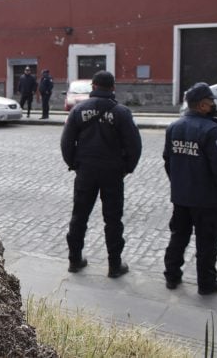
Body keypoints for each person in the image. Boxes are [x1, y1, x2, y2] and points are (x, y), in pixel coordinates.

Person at [60, 71, 142, 278]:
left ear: (93, 86)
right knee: (113, 219)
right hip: (113, 172)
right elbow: (134, 145)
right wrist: (126, 168)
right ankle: (114, 265)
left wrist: (74, 164)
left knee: (79, 216)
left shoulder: (78, 110)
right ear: (113, 88)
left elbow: (66, 142)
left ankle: (74, 260)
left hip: (86, 170)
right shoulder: (122, 112)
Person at [162, 82, 217, 295]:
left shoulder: (174, 127)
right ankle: (206, 283)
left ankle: (172, 276)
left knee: (178, 236)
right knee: (207, 242)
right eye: (211, 101)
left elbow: (168, 161)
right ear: (203, 105)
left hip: (181, 196)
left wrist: (178, 183)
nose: (214, 104)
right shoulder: (211, 130)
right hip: (207, 200)